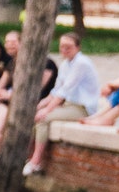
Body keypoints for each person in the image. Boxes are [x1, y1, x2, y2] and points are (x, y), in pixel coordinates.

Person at [23, 31, 100, 178]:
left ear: (78, 47)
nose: (64, 50)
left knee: (43, 119)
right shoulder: (65, 64)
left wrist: (46, 111)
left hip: (82, 108)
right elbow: (56, 90)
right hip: (68, 105)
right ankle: (29, 156)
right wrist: (40, 105)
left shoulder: (81, 63)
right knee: (34, 115)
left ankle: (36, 161)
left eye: (68, 47)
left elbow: (65, 91)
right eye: (62, 46)